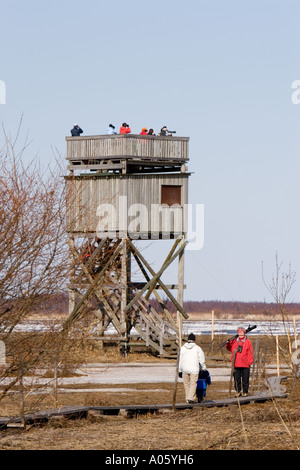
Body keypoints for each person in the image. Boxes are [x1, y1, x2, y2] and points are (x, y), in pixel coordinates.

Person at [178, 333, 206, 404]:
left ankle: (188, 398)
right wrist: (203, 368)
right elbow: (201, 359)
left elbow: (180, 360)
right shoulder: (197, 348)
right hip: (194, 369)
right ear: (194, 340)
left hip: (185, 368)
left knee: (186, 384)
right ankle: (191, 398)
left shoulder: (183, 348)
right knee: (193, 383)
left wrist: (179, 370)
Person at [226, 327, 254, 397]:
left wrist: (250, 362)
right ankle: (238, 392)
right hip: (236, 363)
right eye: (239, 332)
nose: (240, 334)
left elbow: (251, 352)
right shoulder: (234, 341)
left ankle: (245, 392)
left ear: (244, 333)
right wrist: (228, 343)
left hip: (245, 364)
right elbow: (229, 348)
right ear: (237, 333)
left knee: (245, 379)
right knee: (237, 379)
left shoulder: (248, 341)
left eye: (242, 332)